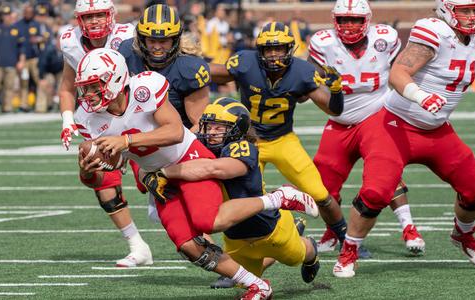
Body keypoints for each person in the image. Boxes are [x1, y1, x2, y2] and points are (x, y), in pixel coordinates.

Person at [74, 48, 319, 300]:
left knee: (207, 221)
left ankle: (278, 199)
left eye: (95, 86)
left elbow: (174, 132)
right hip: (156, 177)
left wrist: (126, 141)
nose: (89, 95)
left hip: (186, 157)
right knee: (189, 246)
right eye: (86, 88)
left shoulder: (143, 89)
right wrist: (88, 168)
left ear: (115, 78)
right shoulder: (88, 118)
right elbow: (101, 177)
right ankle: (258, 286)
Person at [333, 0, 475, 278]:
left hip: (436, 130)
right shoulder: (434, 32)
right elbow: (398, 73)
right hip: (394, 126)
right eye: (465, 10)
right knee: (375, 193)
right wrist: (421, 96)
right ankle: (349, 251)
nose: (472, 16)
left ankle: (463, 236)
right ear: (447, 10)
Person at [210, 21, 356, 257]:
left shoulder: (302, 71)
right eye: (268, 49)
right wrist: (189, 67)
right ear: (260, 50)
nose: (274, 53)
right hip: (248, 142)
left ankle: (346, 240)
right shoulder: (246, 63)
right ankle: (234, 260)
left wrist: (337, 90)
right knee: (240, 202)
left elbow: (333, 110)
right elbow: (213, 72)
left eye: (279, 48)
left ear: (289, 49)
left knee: (320, 194)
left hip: (282, 140)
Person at [147, 97, 320, 288]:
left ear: (237, 130)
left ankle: (310, 248)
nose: (210, 133)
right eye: (208, 126)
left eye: (219, 128)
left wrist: (165, 172)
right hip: (234, 236)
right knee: (243, 281)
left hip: (269, 230)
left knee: (296, 256)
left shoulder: (243, 147)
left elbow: (214, 169)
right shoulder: (203, 144)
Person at [308, 0, 425, 256]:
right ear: (334, 20)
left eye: (356, 20)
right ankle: (333, 231)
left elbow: (404, 70)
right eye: (343, 20)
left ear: (367, 20)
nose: (349, 25)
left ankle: (409, 227)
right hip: (340, 121)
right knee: (323, 184)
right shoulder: (323, 43)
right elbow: (309, 82)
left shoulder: (385, 38)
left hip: (377, 116)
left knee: (384, 172)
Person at [57, 0, 150, 268]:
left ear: (110, 15)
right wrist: (66, 119)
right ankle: (136, 245)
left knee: (155, 178)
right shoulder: (71, 41)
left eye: (99, 14)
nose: (94, 21)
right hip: (97, 116)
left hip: (132, 110)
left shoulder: (128, 36)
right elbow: (66, 86)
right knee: (101, 176)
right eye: (88, 16)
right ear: (78, 19)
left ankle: (197, 238)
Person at [119, 4, 209, 132]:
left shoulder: (189, 68)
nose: (157, 47)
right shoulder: (127, 53)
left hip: (176, 140)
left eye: (163, 41)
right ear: (142, 39)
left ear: (175, 39)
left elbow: (199, 126)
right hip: (132, 133)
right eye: (151, 40)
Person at [0, 5, 22, 113]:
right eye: (5, 15)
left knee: (9, 87)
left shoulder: (15, 29)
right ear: (2, 16)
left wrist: (21, 61)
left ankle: (7, 108)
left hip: (11, 62)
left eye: (8, 14)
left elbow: (21, 47)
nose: (7, 17)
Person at [15, 4, 43, 112]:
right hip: (23, 59)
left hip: (34, 58)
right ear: (24, 12)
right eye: (27, 12)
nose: (28, 14)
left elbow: (42, 38)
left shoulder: (36, 24)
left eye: (30, 12)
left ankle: (40, 105)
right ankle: (23, 105)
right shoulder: (18, 25)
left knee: (38, 80)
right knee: (24, 82)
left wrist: (38, 39)